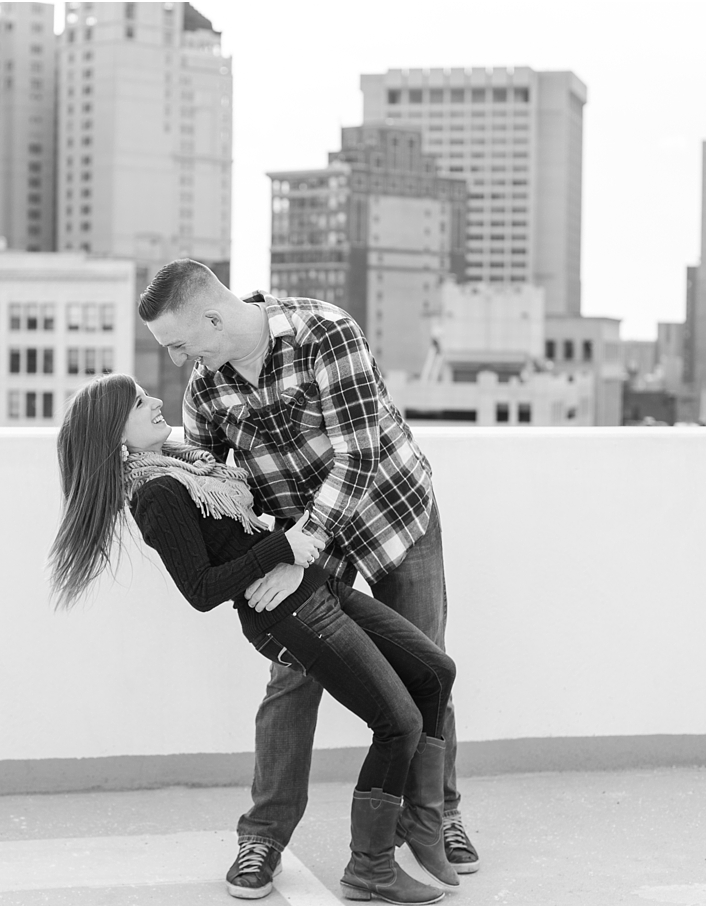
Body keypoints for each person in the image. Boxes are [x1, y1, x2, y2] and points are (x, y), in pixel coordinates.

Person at [138, 259, 481, 898]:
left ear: (213, 317)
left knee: (426, 665)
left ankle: (439, 815)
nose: (182, 361)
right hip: (301, 541)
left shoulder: (325, 333)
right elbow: (221, 487)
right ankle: (262, 838)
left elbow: (359, 452)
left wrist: (299, 549)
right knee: (291, 678)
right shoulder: (208, 390)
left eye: (182, 344)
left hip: (391, 517)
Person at [49, 374, 458, 904]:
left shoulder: (186, 464)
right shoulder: (156, 493)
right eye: (136, 402)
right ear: (114, 434)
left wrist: (290, 552)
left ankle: (420, 821)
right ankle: (370, 867)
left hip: (316, 587)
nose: (153, 401)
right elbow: (200, 589)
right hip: (288, 617)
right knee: (398, 722)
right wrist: (282, 547)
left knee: (435, 673)